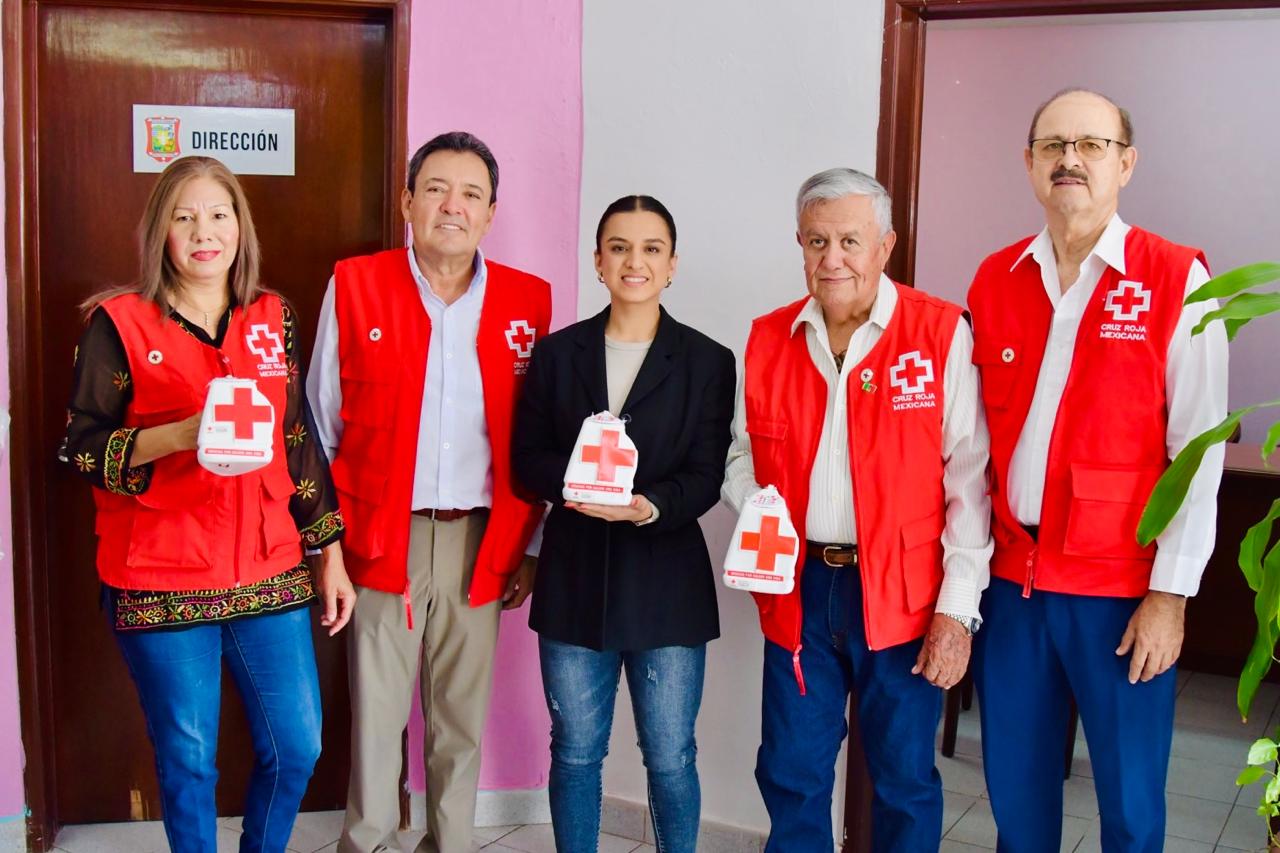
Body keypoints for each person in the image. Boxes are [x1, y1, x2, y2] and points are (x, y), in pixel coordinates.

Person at [62, 155, 354, 853]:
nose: (204, 231)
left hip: (268, 564)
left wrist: (330, 550)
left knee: (299, 746)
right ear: (161, 231)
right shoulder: (119, 323)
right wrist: (180, 434)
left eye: (219, 214)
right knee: (189, 760)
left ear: (239, 227)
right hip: (160, 575)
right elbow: (79, 449)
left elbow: (296, 436)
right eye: (184, 216)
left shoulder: (271, 314)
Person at [967, 88, 1228, 852]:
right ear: (1029, 164)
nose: (1069, 159)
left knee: (1130, 805)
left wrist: (1170, 595)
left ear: (1125, 162)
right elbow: (974, 442)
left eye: (1089, 144)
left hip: (1121, 595)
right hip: (1014, 586)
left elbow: (1199, 451)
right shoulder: (993, 278)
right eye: (1052, 145)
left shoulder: (1177, 277)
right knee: (1016, 800)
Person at [723, 168, 992, 852]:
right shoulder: (766, 339)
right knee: (791, 770)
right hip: (800, 589)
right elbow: (740, 454)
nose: (832, 258)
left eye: (850, 239)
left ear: (885, 245)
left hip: (901, 594)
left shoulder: (937, 332)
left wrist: (956, 610)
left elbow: (969, 479)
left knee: (903, 778)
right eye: (817, 241)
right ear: (799, 245)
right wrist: (757, 506)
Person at [307, 131, 552, 853]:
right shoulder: (355, 283)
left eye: (471, 193)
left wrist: (531, 547)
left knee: (459, 718)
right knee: (377, 714)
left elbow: (536, 438)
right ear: (408, 201)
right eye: (437, 188)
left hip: (484, 538)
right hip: (381, 534)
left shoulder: (526, 301)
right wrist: (328, 549)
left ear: (490, 212)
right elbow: (321, 424)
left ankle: (449, 842)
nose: (453, 205)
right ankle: (369, 840)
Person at [513, 195, 735, 852]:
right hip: (575, 576)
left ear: (671, 265)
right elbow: (527, 457)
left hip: (666, 584)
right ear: (598, 262)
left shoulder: (707, 360)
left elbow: (704, 472)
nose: (633, 261)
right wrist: (576, 485)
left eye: (650, 249)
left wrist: (647, 504)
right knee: (576, 752)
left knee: (670, 756)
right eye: (618, 247)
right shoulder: (557, 355)